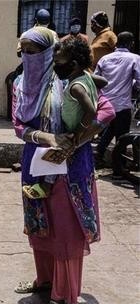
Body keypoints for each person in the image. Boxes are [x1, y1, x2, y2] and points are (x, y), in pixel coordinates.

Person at [12, 27, 101, 304]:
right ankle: (44, 279)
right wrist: (45, 137)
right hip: (36, 164)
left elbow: (104, 110)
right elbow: (18, 125)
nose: (28, 57)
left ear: (49, 52)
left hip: (69, 168)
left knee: (64, 232)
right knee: (41, 224)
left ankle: (60, 297)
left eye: (34, 51)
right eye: (23, 51)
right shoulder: (21, 83)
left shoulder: (68, 81)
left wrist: (74, 140)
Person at [22, 38, 105, 199]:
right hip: (75, 126)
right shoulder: (85, 77)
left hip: (73, 129)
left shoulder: (75, 86)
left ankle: (46, 186)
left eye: (58, 62)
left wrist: (79, 132)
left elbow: (92, 110)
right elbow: (104, 81)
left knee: (56, 155)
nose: (55, 66)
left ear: (73, 65)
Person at [94, 31, 140, 171]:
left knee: (110, 131)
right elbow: (139, 81)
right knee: (122, 138)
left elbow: (95, 79)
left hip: (105, 104)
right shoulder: (134, 58)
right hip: (122, 104)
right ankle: (118, 168)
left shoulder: (105, 59)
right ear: (131, 43)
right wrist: (133, 86)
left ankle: (98, 155)